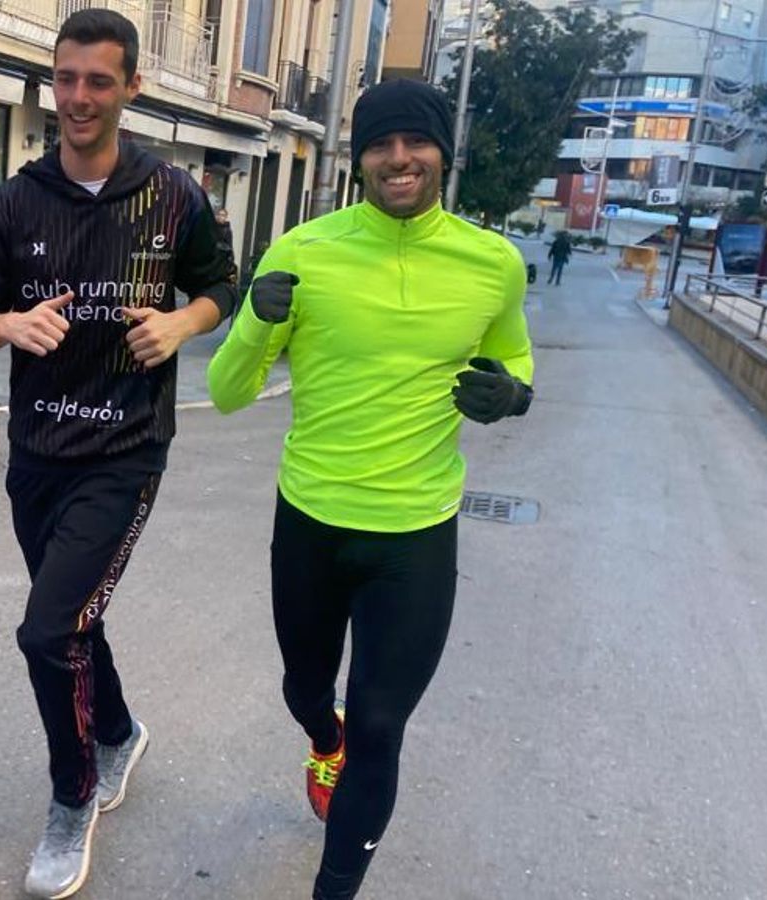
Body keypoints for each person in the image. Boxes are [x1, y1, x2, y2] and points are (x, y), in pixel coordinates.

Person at [205, 78, 534, 900]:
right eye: (380, 145)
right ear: (359, 160)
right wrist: (253, 316)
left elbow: (515, 355)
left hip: (417, 533)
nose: (399, 160)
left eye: (415, 144)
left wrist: (513, 393)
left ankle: (335, 887)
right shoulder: (302, 253)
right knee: (306, 689)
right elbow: (227, 391)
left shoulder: (494, 263)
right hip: (312, 520)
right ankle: (324, 735)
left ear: (441, 156)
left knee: (382, 726)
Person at [0, 9, 239, 898]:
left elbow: (223, 282)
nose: (78, 98)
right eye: (66, 79)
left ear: (131, 88)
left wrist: (183, 322)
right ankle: (117, 732)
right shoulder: (16, 201)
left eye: (98, 82)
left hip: (124, 451)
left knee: (47, 628)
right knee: (75, 621)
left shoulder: (174, 195)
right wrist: (6, 326)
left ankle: (73, 799)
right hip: (35, 456)